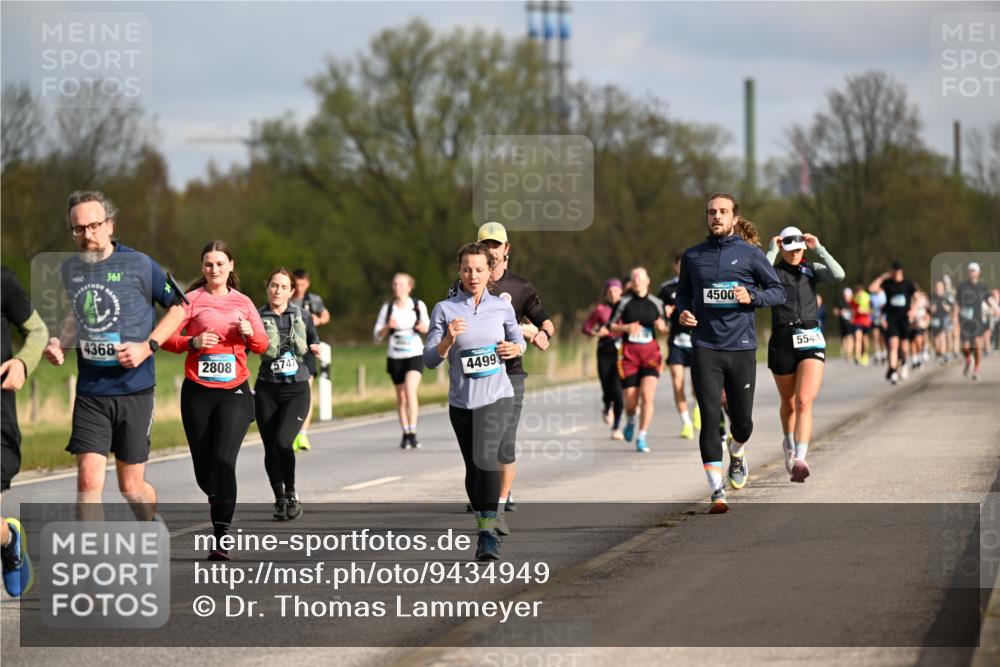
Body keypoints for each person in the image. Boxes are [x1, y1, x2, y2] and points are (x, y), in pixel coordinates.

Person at [42, 191, 187, 520]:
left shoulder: (140, 264)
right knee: (88, 481)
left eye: (93, 226)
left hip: (133, 389)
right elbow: (77, 316)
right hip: (92, 391)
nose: (86, 235)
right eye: (78, 229)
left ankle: (151, 521)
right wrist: (60, 344)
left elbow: (179, 309)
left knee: (131, 487)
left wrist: (147, 346)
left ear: (109, 225)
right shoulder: (70, 270)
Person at [675, 194, 785, 512]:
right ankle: (716, 491)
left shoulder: (751, 255)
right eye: (711, 212)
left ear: (734, 218)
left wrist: (751, 295)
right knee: (709, 418)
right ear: (706, 218)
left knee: (743, 423)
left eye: (723, 212)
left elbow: (777, 291)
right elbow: (683, 293)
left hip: (741, 348)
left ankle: (736, 452)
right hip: (705, 347)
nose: (717, 217)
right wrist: (682, 312)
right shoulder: (693, 256)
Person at [162, 240, 268, 560]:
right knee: (203, 468)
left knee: (224, 462)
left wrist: (250, 333)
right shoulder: (190, 301)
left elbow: (262, 345)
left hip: (234, 390)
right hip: (198, 391)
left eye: (220, 264)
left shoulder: (244, 302)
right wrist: (192, 341)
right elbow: (165, 338)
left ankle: (221, 538)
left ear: (231, 266)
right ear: (202, 268)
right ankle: (216, 494)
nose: (214, 269)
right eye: (209, 264)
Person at [424, 242, 526, 560]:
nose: (473, 275)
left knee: (487, 459)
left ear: (488, 273)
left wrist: (516, 349)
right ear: (459, 271)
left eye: (479, 269)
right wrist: (448, 340)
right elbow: (429, 359)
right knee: (473, 467)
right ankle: (485, 521)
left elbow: (518, 339)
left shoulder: (502, 307)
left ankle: (486, 533)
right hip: (462, 401)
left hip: (497, 396)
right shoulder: (445, 309)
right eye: (467, 269)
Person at [451, 222, 555, 513]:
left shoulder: (520, 287)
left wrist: (542, 335)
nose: (492, 250)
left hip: (509, 374)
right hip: (474, 378)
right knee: (476, 448)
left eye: (497, 245)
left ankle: (498, 501)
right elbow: (453, 320)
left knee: (503, 441)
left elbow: (545, 322)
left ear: (507, 249)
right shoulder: (462, 286)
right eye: (487, 244)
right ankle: (485, 494)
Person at [765, 227, 845, 482]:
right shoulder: (774, 272)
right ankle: (788, 443)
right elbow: (755, 277)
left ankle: (801, 458)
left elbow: (838, 274)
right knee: (788, 403)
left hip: (810, 337)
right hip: (782, 339)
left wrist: (817, 247)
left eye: (798, 249)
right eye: (790, 250)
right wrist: (771, 251)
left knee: (803, 401)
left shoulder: (812, 270)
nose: (795, 254)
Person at [256, 268, 321, 520]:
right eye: (274, 285)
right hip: (267, 388)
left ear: (292, 291)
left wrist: (314, 347)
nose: (278, 291)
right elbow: (249, 346)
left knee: (284, 443)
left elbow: (314, 339)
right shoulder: (257, 315)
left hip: (296, 389)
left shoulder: (303, 315)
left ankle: (292, 493)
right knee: (271, 448)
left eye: (283, 287)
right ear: (267, 287)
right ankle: (279, 498)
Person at [1, 267, 48, 597]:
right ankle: (9, 537)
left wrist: (21, 363)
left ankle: (10, 541)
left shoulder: (3, 279)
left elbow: (38, 332)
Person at [609, 267, 668, 453]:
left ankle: (642, 436)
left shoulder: (656, 303)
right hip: (629, 355)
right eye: (634, 279)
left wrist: (662, 327)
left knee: (647, 396)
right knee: (631, 401)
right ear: (631, 283)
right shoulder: (624, 302)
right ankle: (632, 419)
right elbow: (610, 326)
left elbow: (666, 327)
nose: (637, 282)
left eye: (640, 278)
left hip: (650, 353)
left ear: (648, 281)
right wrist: (626, 328)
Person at [373, 273, 430, 448]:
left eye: (401, 284)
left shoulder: (418, 305)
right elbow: (376, 337)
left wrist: (423, 328)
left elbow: (430, 328)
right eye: (395, 284)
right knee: (401, 396)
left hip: (414, 353)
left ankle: (413, 432)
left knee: (410, 390)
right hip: (395, 356)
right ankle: (405, 432)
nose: (397, 287)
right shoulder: (388, 308)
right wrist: (386, 327)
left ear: (409, 287)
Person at [658, 255, 701, 441]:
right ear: (675, 266)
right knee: (677, 383)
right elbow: (659, 314)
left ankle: (698, 409)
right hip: (676, 341)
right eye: (680, 264)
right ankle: (686, 423)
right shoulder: (666, 288)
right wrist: (662, 321)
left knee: (697, 385)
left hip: (697, 341)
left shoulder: (699, 283)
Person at [289, 268, 330, 451]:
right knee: (289, 393)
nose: (299, 288)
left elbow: (326, 314)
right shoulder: (286, 298)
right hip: (288, 350)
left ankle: (303, 435)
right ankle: (289, 433)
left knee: (306, 392)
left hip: (307, 350)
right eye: (296, 284)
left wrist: (318, 321)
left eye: (302, 285)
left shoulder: (313, 300)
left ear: (307, 283)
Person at [581, 279, 625, 439]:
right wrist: (596, 333)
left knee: (618, 391)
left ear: (621, 292)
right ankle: (607, 406)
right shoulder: (600, 309)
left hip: (622, 353)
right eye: (610, 291)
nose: (613, 294)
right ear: (606, 293)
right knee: (607, 387)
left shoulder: (626, 307)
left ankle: (616, 427)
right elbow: (585, 327)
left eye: (616, 290)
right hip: (604, 352)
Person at [869, 261, 917, 385]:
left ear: (901, 271)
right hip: (892, 318)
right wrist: (882, 277)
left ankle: (904, 363)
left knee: (905, 348)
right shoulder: (888, 283)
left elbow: (917, 297)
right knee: (893, 346)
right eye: (893, 271)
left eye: (897, 271)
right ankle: (894, 371)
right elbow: (872, 288)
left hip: (904, 319)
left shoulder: (907, 284)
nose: (895, 273)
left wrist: (913, 310)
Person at [956, 262, 990, 381]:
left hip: (978, 320)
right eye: (970, 270)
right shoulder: (962, 286)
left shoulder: (982, 286)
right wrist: (955, 317)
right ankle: (968, 359)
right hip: (965, 321)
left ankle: (976, 368)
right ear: (968, 272)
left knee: (977, 345)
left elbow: (989, 299)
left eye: (974, 270)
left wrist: (996, 309)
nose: (972, 273)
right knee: (965, 347)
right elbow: (957, 303)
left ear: (979, 272)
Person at [929, 281, 952, 364]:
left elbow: (950, 308)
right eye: (937, 287)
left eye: (940, 287)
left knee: (942, 336)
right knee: (936, 339)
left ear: (943, 287)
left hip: (944, 318)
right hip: (935, 319)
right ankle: (938, 353)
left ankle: (943, 354)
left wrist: (945, 307)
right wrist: (932, 309)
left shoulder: (946, 297)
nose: (938, 288)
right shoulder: (932, 297)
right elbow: (929, 309)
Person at [850, 284, 872, 366]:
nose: (859, 294)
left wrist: (864, 311)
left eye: (860, 292)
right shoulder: (854, 298)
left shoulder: (867, 297)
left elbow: (871, 310)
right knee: (857, 338)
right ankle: (857, 356)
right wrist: (852, 317)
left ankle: (865, 354)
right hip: (857, 321)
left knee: (865, 339)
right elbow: (852, 309)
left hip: (866, 321)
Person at [834, 287, 855, 362]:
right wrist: (840, 312)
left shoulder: (853, 302)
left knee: (850, 337)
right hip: (842, 323)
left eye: (848, 295)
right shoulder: (840, 302)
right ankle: (845, 351)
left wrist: (854, 315)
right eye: (846, 295)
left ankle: (849, 354)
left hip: (851, 323)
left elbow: (856, 311)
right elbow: (835, 311)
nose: (847, 297)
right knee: (844, 338)